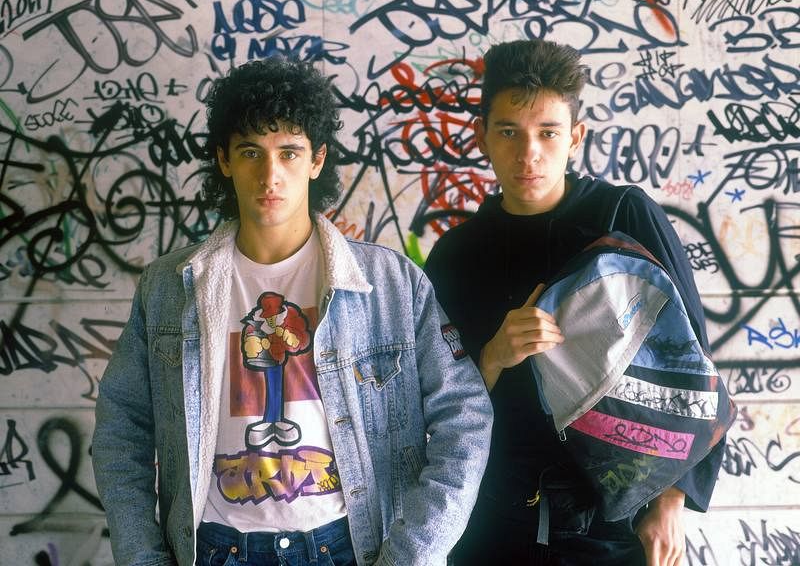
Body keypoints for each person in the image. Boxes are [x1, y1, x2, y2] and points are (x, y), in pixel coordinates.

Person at [92, 57, 493, 566]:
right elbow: (120, 429)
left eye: (289, 152)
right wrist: (143, 557)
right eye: (251, 153)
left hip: (351, 548)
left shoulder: (389, 283)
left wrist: (412, 555)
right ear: (224, 160)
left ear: (317, 159)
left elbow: (465, 418)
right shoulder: (169, 287)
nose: (270, 175)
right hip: (216, 549)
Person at [424, 39, 725, 566]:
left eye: (548, 132)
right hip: (492, 523)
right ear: (481, 136)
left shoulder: (622, 216)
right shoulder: (457, 253)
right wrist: (492, 357)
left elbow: (693, 366)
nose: (529, 154)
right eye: (509, 132)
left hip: (613, 524)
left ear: (575, 137)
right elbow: (433, 400)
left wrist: (670, 503)